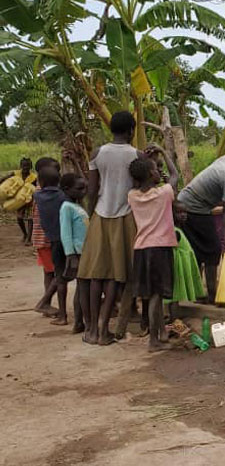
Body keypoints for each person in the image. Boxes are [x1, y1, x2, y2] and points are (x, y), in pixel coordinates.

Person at [78, 111, 144, 345]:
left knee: (97, 274)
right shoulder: (136, 155)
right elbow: (140, 187)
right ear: (130, 131)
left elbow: (92, 190)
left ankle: (92, 330)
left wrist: (90, 214)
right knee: (117, 276)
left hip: (100, 215)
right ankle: (105, 330)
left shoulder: (98, 153)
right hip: (125, 217)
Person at [128, 146, 179, 352]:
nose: (160, 171)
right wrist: (164, 152)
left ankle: (161, 334)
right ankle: (153, 341)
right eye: (156, 169)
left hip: (141, 249)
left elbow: (137, 179)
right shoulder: (164, 193)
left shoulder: (132, 195)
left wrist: (143, 163)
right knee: (157, 296)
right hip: (160, 248)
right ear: (151, 174)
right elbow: (175, 174)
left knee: (151, 295)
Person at [177, 150, 225, 302]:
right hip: (193, 208)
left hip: (187, 203)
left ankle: (197, 294)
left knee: (197, 251)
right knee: (213, 250)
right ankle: (210, 295)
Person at [32, 166, 69, 323]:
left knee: (55, 274)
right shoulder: (63, 197)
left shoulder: (37, 195)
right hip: (63, 240)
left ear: (40, 182)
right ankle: (45, 303)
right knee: (60, 275)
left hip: (52, 240)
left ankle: (55, 309)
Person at [59, 173, 88, 335]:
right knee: (82, 287)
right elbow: (65, 233)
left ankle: (80, 321)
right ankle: (79, 322)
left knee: (82, 288)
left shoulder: (78, 206)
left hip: (85, 252)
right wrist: (70, 255)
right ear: (66, 189)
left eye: (84, 187)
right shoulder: (66, 208)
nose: (83, 191)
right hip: (77, 253)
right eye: (79, 188)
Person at [31, 157, 60, 315]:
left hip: (42, 240)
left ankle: (46, 303)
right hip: (47, 239)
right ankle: (43, 302)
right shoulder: (44, 193)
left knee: (49, 272)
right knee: (59, 272)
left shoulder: (40, 191)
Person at [0, 157, 36, 245]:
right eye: (24, 165)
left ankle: (29, 239)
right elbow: (4, 179)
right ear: (20, 166)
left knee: (30, 219)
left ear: (31, 166)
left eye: (28, 166)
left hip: (29, 201)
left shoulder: (34, 177)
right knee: (19, 218)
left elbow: (36, 188)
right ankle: (25, 234)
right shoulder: (15, 174)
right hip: (17, 201)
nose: (26, 167)